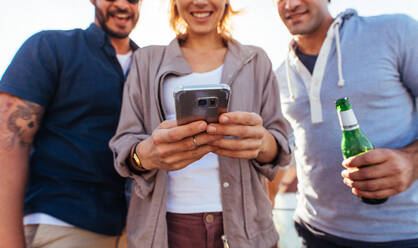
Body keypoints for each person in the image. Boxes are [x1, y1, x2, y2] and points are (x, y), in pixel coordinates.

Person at [109, 0, 292, 247]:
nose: (200, 2)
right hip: (164, 230)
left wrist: (262, 142)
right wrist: (145, 155)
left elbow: (279, 141)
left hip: (247, 229)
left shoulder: (256, 60)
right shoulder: (145, 60)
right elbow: (124, 143)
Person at [274, 0, 418, 247]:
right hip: (314, 232)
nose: (292, 4)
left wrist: (412, 162)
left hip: (403, 234)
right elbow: (282, 153)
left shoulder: (395, 31)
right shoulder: (279, 74)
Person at [0, 0, 142, 247]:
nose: (122, 4)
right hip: (60, 226)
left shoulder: (150, 65)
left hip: (133, 232)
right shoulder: (51, 47)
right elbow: (8, 145)